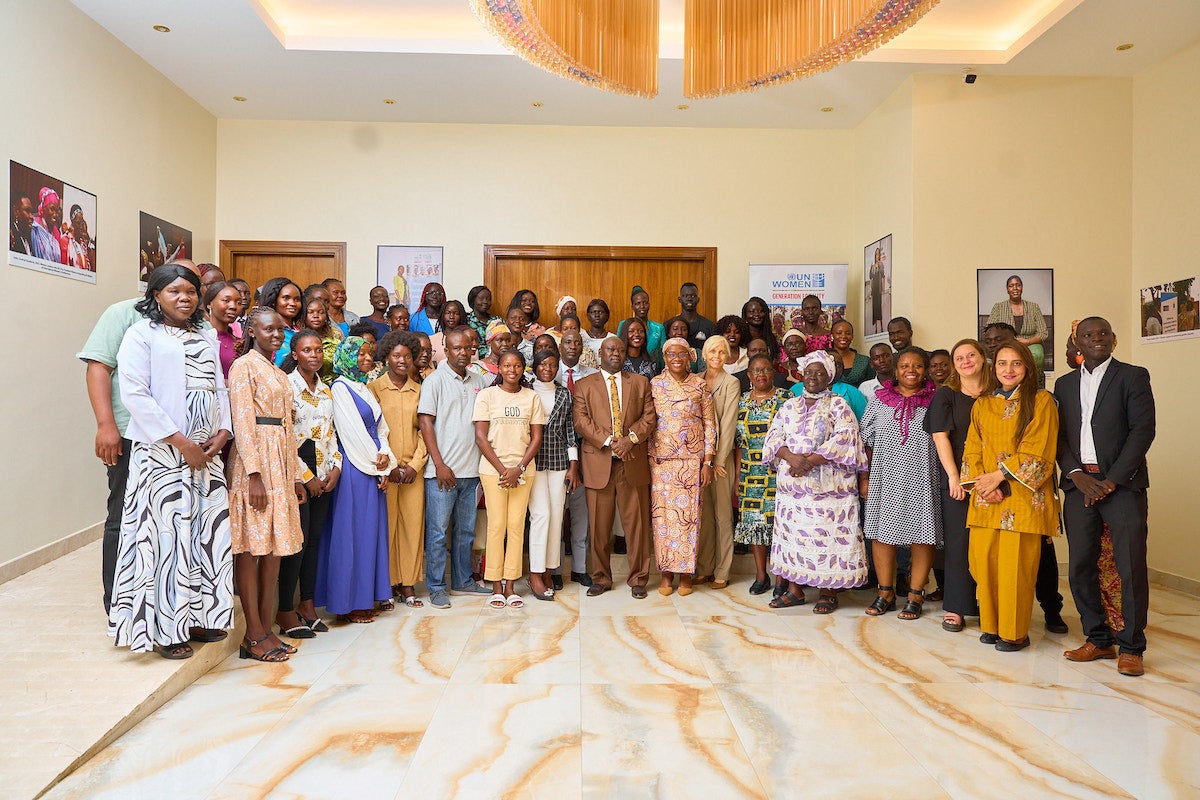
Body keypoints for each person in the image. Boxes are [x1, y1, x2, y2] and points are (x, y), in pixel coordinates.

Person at [108, 264, 233, 658]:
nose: (185, 297)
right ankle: (164, 628)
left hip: (207, 453)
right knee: (164, 537)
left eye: (192, 291)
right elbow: (135, 395)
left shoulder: (206, 334)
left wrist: (224, 431)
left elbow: (219, 387)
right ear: (156, 295)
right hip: (163, 453)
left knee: (203, 535)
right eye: (174, 291)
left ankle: (197, 616)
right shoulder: (140, 334)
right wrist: (181, 441)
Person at [1056, 317, 1156, 677]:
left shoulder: (1133, 376)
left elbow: (1143, 430)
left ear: (1114, 340)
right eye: (1088, 335)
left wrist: (1112, 480)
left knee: (1130, 566)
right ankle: (1097, 639)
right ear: (1077, 343)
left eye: (1103, 334)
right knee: (1081, 564)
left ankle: (1132, 647)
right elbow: (1060, 437)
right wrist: (1077, 475)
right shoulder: (1063, 384)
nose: (1096, 338)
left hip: (1122, 486)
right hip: (1079, 486)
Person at [961, 340, 1060, 652]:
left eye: (1016, 363)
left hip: (1022, 498)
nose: (1008, 370)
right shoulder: (982, 403)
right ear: (994, 367)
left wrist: (998, 477)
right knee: (984, 564)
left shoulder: (1042, 401)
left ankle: (1015, 632)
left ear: (1028, 367)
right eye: (1002, 363)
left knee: (1014, 569)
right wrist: (981, 484)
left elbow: (1039, 450)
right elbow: (972, 448)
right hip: (985, 498)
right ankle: (991, 626)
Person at [226, 307, 305, 661]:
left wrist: (296, 477)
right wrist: (254, 475)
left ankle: (265, 629)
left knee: (274, 547)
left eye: (280, 328)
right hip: (255, 462)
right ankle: (252, 632)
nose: (277, 333)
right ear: (252, 331)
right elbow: (243, 421)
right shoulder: (243, 366)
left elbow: (288, 426)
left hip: (281, 461)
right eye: (269, 328)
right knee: (251, 546)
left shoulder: (277, 369)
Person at [763, 351, 868, 611]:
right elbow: (774, 437)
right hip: (793, 490)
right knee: (795, 537)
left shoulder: (838, 405)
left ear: (829, 378)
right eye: (809, 372)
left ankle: (828, 591)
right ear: (801, 374)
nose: (813, 377)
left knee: (829, 538)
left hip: (830, 489)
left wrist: (808, 461)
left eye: (820, 373)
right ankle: (795, 590)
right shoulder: (789, 406)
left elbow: (846, 439)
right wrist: (790, 457)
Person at [315, 336, 396, 623]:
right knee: (352, 535)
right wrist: (377, 465)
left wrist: (385, 457)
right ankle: (346, 604)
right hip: (355, 468)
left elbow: (381, 428)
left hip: (373, 465)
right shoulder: (340, 388)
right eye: (360, 354)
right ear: (348, 357)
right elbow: (351, 434)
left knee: (369, 535)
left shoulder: (363, 386)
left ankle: (365, 597)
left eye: (369, 354)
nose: (366, 358)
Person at [861, 346, 941, 620]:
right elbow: (866, 440)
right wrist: (866, 476)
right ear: (895, 371)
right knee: (882, 533)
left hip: (924, 475)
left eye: (917, 365)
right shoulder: (879, 400)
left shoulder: (937, 399)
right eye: (904, 365)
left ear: (926, 370)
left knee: (923, 533)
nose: (910, 370)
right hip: (885, 475)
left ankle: (915, 594)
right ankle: (885, 593)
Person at [574, 336, 657, 598]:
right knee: (599, 528)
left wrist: (629, 440)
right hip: (599, 463)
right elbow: (581, 422)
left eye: (621, 350)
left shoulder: (641, 383)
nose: (616, 354)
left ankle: (638, 579)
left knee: (637, 526)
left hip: (631, 463)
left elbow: (650, 417)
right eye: (610, 349)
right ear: (601, 353)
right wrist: (611, 441)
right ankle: (600, 578)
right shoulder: (583, 385)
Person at [925, 339, 995, 633]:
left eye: (971, 355)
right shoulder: (947, 396)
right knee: (960, 544)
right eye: (959, 358)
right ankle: (956, 607)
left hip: (995, 479)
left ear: (982, 358)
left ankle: (990, 604)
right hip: (959, 481)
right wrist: (954, 477)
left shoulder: (998, 393)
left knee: (991, 545)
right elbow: (940, 437)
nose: (966, 361)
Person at [419, 329, 491, 609]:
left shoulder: (479, 380)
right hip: (442, 473)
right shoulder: (434, 381)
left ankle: (462, 580)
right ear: (446, 351)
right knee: (438, 532)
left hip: (471, 471)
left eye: (466, 348)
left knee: (466, 531)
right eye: (456, 348)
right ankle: (436, 586)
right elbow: (426, 424)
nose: (462, 352)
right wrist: (439, 464)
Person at [278, 330, 341, 637]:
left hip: (326, 477)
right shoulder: (287, 387)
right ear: (295, 354)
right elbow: (285, 437)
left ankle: (307, 604)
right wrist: (307, 478)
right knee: (297, 545)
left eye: (318, 349)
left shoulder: (326, 390)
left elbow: (332, 434)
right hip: (300, 479)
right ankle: (285, 609)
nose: (315, 355)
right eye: (307, 350)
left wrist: (336, 469)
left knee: (314, 542)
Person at [474, 349, 545, 608]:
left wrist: (519, 469)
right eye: (506, 365)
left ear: (523, 369)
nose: (512, 370)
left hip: (523, 471)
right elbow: (481, 437)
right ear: (499, 368)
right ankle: (495, 585)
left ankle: (512, 584)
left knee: (516, 526)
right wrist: (504, 470)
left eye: (517, 365)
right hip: (493, 471)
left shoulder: (532, 397)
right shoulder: (487, 396)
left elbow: (536, 437)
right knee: (496, 526)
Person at [649, 338, 716, 596]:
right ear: (664, 357)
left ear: (690, 356)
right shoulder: (655, 384)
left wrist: (707, 460)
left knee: (689, 519)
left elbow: (710, 423)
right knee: (662, 519)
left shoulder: (700, 386)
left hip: (691, 461)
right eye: (671, 354)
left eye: (681, 354)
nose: (676, 358)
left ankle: (686, 575)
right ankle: (666, 575)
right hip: (661, 462)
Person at [368, 330, 429, 608]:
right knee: (387, 527)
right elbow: (372, 432)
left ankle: (408, 584)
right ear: (387, 358)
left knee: (412, 528)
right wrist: (389, 465)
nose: (402, 360)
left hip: (413, 472)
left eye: (407, 356)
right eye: (396, 356)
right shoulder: (374, 389)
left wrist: (415, 465)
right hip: (386, 472)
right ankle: (387, 584)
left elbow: (426, 432)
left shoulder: (421, 389)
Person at [736, 355, 792, 595]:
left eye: (766, 370)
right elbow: (738, 443)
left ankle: (781, 578)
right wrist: (738, 477)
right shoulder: (741, 401)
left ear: (773, 373)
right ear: (748, 376)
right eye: (756, 371)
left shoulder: (787, 399)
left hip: (780, 473)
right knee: (754, 526)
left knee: (780, 526)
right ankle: (761, 575)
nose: (761, 375)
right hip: (750, 472)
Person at [527, 349, 579, 600]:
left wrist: (574, 464)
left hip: (559, 461)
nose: (547, 368)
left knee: (557, 516)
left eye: (552, 364)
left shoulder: (564, 393)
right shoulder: (526, 390)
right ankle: (535, 573)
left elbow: (570, 428)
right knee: (541, 515)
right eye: (542, 364)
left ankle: (549, 569)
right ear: (534, 366)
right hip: (532, 461)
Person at [696, 335, 740, 589]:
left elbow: (728, 423)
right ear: (704, 354)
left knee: (723, 516)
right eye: (712, 351)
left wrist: (718, 460)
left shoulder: (731, 382)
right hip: (698, 460)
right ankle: (704, 568)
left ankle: (722, 570)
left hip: (720, 461)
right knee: (704, 516)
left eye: (722, 352)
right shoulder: (696, 380)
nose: (717, 356)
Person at [555, 329, 596, 588]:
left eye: (577, 343)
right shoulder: (547, 372)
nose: (572, 347)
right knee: (556, 516)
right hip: (555, 457)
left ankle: (580, 568)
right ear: (561, 347)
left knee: (581, 516)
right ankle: (556, 569)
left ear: (583, 348)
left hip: (586, 455)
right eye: (568, 342)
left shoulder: (592, 376)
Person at [987, 275, 1049, 370]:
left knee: (1038, 355)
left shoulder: (1034, 307)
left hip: (1030, 344)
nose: (1015, 288)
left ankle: (1031, 381)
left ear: (1022, 288)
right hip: (1005, 344)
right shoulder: (998, 307)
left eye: (1018, 285)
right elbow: (989, 330)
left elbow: (1043, 332)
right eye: (1011, 286)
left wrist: (1027, 341)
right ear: (1007, 290)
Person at [259, 277, 303, 367]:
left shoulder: (299, 331)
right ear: (273, 300)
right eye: (286, 298)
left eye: (297, 299)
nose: (293, 303)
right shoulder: (266, 332)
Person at [301, 294, 344, 384]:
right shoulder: (298, 337)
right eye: (311, 312)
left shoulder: (336, 334)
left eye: (321, 312)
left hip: (334, 385)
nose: (316, 316)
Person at [204, 282, 242, 379]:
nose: (233, 306)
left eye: (238, 303)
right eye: (226, 300)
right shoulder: (202, 338)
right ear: (209, 304)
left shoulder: (240, 343)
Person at [617, 286, 666, 357]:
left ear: (649, 305)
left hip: (654, 367)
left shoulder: (659, 328)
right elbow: (619, 347)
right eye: (638, 303)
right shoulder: (624, 324)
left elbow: (663, 354)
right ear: (632, 307)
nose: (642, 306)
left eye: (645, 303)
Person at [830, 319, 873, 388]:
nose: (843, 336)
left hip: (859, 398)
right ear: (832, 336)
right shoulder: (825, 359)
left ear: (852, 336)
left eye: (848, 333)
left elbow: (871, 386)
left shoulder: (864, 361)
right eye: (839, 333)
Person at [741, 297, 779, 362]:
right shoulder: (741, 337)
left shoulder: (771, 337)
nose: (757, 314)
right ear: (745, 315)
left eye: (761, 311)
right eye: (752, 311)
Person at [30, 187, 63, 263]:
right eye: (52, 209)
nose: (55, 214)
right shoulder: (34, 226)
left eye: (57, 210)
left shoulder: (57, 232)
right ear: (43, 208)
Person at [676, 282, 713, 347]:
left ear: (698, 299)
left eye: (693, 296)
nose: (689, 299)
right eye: (686, 296)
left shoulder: (709, 326)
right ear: (680, 299)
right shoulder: (671, 325)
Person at [430, 299, 466, 364]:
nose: (451, 317)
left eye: (456, 313)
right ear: (442, 315)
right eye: (448, 313)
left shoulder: (467, 339)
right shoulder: (432, 340)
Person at [466, 285, 498, 357]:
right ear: (473, 300)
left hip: (495, 361)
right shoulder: (465, 320)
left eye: (488, 299)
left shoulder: (497, 321)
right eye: (481, 298)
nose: (485, 302)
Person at [869, 246, 886, 334]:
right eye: (876, 254)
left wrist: (883, 288)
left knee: (879, 307)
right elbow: (870, 277)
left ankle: (882, 327)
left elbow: (883, 276)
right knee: (874, 308)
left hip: (878, 288)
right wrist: (871, 268)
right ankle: (875, 328)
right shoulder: (872, 265)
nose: (877, 256)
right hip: (874, 288)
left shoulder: (881, 264)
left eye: (878, 254)